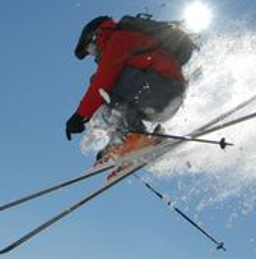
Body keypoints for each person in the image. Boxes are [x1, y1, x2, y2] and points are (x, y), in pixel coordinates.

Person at [65, 15, 188, 160]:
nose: (94, 55)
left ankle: (135, 137)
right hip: (162, 97)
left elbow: (103, 79)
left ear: (98, 35)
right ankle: (123, 139)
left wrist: (80, 114)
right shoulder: (122, 39)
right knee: (104, 102)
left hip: (164, 90)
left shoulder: (120, 38)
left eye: (91, 49)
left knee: (102, 88)